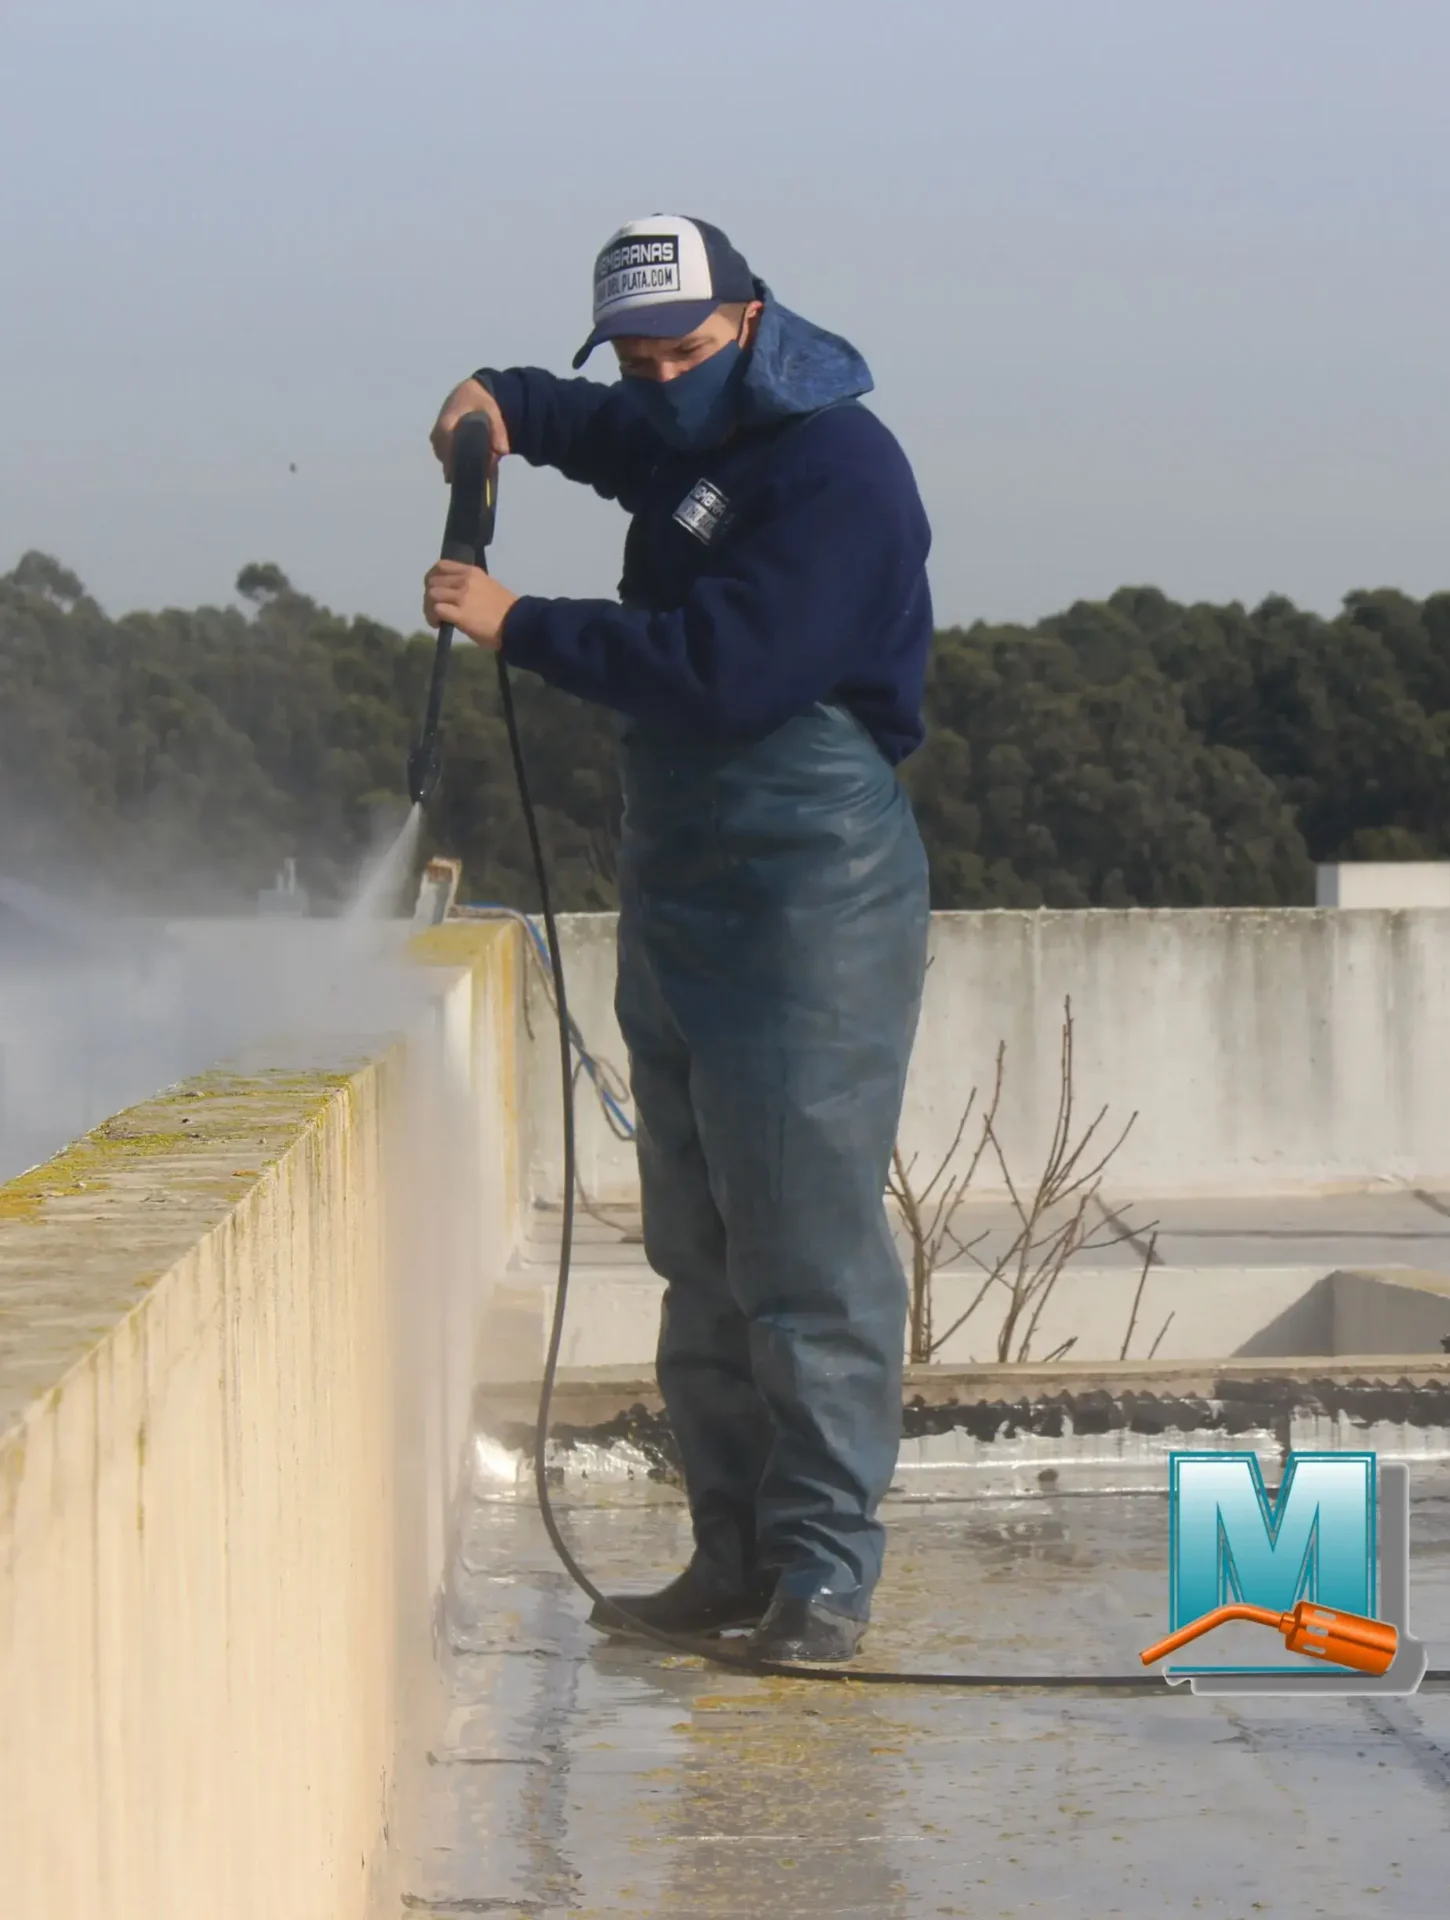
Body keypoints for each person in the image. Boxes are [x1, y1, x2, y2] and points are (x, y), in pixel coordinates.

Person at [425, 215, 933, 1664]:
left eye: (683, 349)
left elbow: (729, 672)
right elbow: (594, 427)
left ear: (755, 320)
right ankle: (731, 1557)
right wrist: (501, 401)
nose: (656, 380)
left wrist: (518, 622)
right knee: (698, 1240)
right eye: (634, 356)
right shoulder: (686, 434)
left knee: (807, 1248)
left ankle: (823, 1579)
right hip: (685, 881)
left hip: (809, 885)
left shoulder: (837, 472)